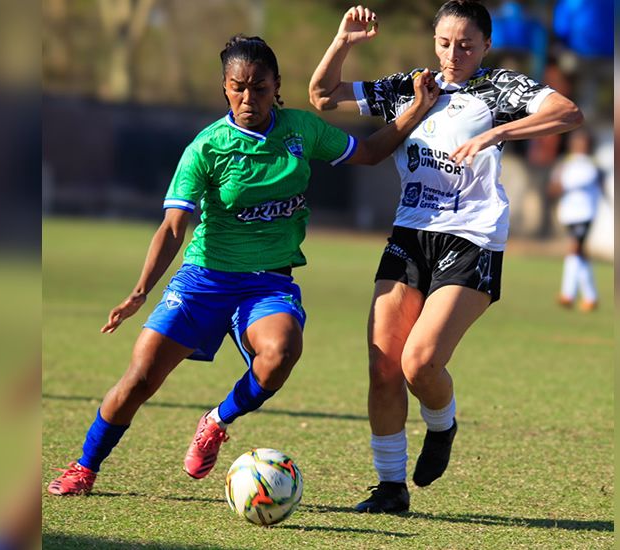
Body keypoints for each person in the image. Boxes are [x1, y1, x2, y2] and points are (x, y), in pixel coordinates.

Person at [47, 34, 439, 496]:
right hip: (205, 278)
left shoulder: (301, 130)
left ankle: (216, 420)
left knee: (280, 354)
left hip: (269, 282)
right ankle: (85, 466)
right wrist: (140, 290)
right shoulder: (206, 148)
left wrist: (417, 108)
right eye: (238, 87)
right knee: (140, 378)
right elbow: (174, 226)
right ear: (225, 87)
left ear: (276, 85)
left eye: (258, 87)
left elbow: (370, 153)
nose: (248, 97)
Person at [309, 1, 583, 513]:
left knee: (419, 363)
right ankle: (390, 488)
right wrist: (342, 42)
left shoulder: (500, 88)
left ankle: (443, 423)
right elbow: (322, 96)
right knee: (383, 364)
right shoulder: (411, 87)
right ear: (433, 42)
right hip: (410, 234)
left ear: (485, 45)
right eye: (444, 42)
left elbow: (567, 112)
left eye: (466, 44)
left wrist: (499, 131)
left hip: (472, 238)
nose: (453, 53)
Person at [547, 128, 603, 311]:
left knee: (574, 249)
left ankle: (567, 294)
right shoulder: (565, 163)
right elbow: (554, 187)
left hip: (585, 213)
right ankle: (591, 296)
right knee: (580, 253)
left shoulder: (592, 165)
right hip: (568, 213)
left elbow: (569, 184)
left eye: (583, 142)